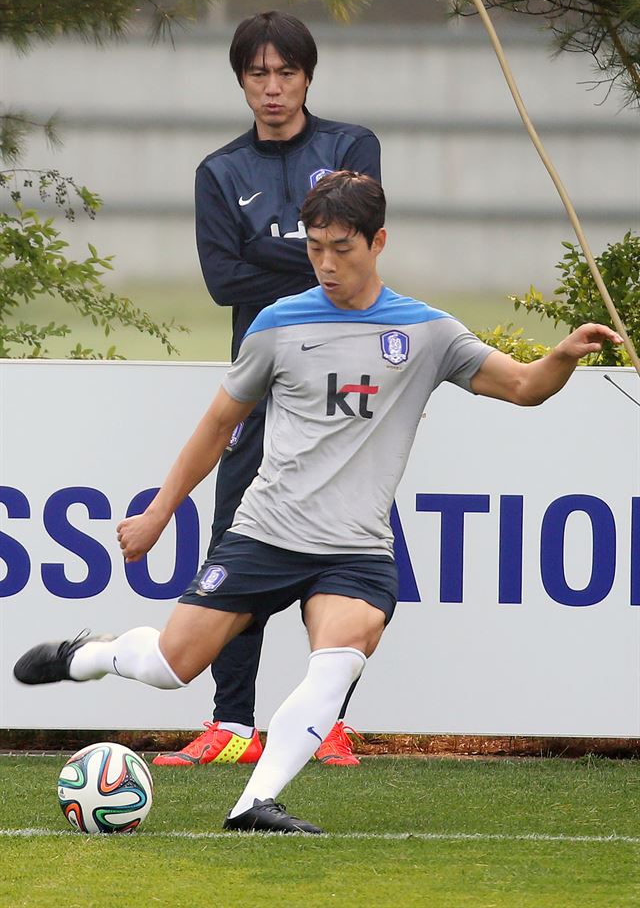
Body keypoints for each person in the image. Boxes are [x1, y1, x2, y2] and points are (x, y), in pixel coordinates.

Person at [14, 172, 622, 834]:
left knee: (343, 652)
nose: (326, 264)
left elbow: (527, 387)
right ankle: (92, 654)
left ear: (378, 241)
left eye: (342, 248)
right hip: (266, 532)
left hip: (356, 550)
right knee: (170, 667)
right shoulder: (279, 324)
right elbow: (219, 425)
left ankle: (254, 803)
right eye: (314, 248)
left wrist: (563, 354)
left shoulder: (427, 333)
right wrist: (161, 511)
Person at [154, 10, 383, 769]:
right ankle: (231, 724)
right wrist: (316, 255)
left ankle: (327, 724)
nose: (273, 87)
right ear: (242, 82)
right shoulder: (221, 171)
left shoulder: (350, 147)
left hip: (347, 380)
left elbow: (356, 253)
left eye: (286, 72)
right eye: (259, 74)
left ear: (307, 77)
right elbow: (226, 282)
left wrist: (273, 251)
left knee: (343, 547)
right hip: (264, 376)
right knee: (236, 536)